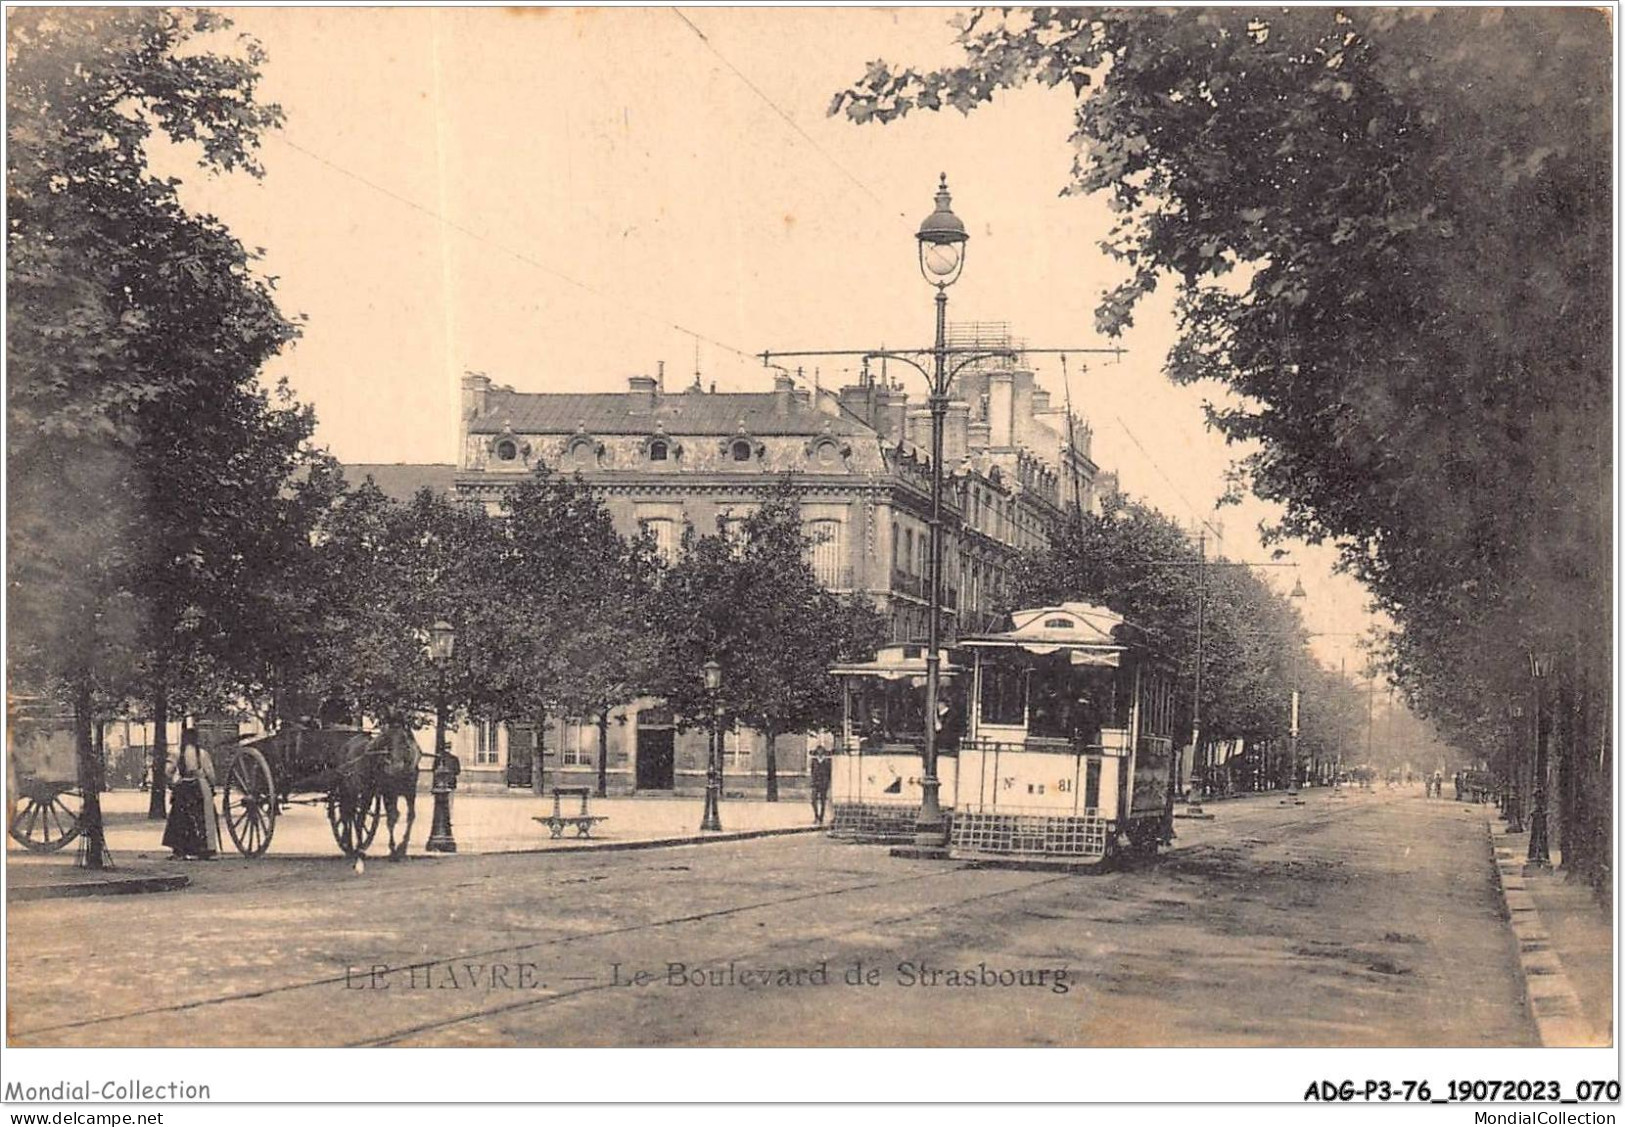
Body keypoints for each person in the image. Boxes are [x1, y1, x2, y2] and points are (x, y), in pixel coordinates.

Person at [162, 728, 220, 860]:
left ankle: (181, 849)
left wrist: (173, 781)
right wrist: (212, 785)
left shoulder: (177, 753)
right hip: (200, 786)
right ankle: (203, 849)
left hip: (183, 787)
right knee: (202, 818)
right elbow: (210, 772)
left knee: (180, 818)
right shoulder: (202, 753)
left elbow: (168, 770)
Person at [808, 742, 833, 825]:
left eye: (821, 751)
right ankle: (816, 816)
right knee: (813, 800)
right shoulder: (814, 761)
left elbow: (829, 773)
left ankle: (821, 817)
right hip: (815, 783)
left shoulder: (827, 761)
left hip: (823, 783)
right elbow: (812, 772)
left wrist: (828, 783)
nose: (819, 752)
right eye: (818, 751)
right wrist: (812, 780)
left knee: (823, 801)